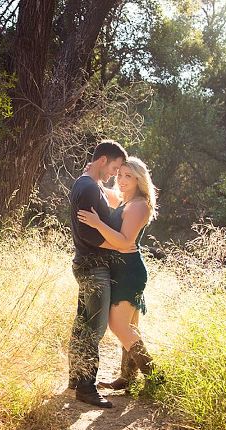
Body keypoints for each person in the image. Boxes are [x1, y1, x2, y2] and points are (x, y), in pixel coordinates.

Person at [76, 156, 161, 386]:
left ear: (139, 180)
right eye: (120, 174)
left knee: (119, 325)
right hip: (120, 269)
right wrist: (94, 173)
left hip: (128, 272)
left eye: (128, 176)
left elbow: (124, 242)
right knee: (130, 326)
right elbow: (103, 190)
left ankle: (156, 378)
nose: (121, 180)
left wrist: (97, 224)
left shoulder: (139, 205)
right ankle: (127, 378)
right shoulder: (125, 200)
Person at [67, 140, 128, 408]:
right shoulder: (89, 187)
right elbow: (87, 232)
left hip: (86, 263)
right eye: (114, 168)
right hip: (94, 267)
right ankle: (87, 388)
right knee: (94, 328)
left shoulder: (87, 183)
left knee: (83, 325)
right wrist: (117, 243)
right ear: (103, 160)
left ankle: (76, 378)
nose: (114, 174)